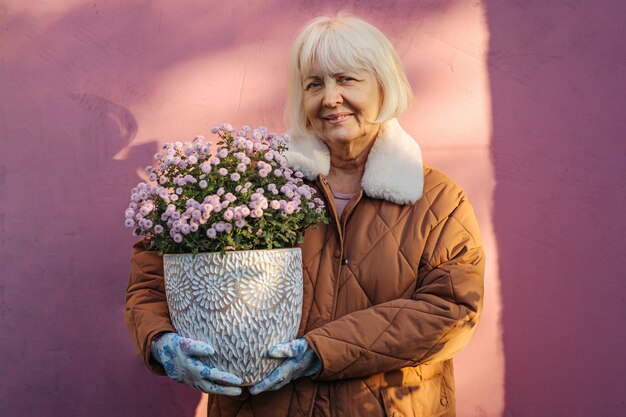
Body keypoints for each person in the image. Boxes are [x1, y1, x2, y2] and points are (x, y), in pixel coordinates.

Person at [125, 14, 485, 417]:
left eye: (347, 79)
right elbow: (152, 281)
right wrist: (162, 342)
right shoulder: (252, 186)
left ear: (384, 85)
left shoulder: (437, 201)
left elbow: (451, 310)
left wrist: (321, 352)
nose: (330, 98)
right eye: (314, 84)